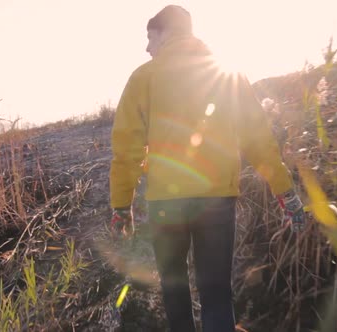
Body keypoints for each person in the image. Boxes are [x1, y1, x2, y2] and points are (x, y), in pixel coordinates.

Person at [108, 5, 307, 332]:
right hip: (216, 200)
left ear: (165, 31)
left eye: (149, 37)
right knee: (216, 294)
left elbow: (126, 149)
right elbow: (258, 139)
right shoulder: (226, 73)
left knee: (174, 292)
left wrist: (121, 206)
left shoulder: (143, 77)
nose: (147, 47)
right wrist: (285, 193)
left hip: (165, 204)